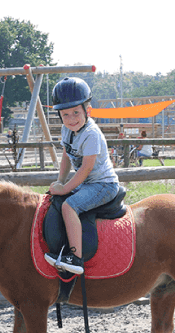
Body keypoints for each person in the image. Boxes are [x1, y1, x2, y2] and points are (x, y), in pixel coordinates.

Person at [44, 77, 120, 276]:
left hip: (103, 184)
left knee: (70, 206)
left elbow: (86, 168)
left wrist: (66, 188)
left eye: (76, 112)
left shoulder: (91, 134)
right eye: (65, 114)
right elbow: (66, 158)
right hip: (86, 183)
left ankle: (75, 258)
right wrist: (60, 181)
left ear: (88, 110)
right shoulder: (66, 130)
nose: (71, 118)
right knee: (56, 199)